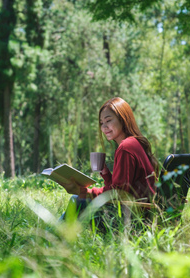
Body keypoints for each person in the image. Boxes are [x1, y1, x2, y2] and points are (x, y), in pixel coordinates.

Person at [60, 97, 159, 226]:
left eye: (108, 120)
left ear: (123, 120)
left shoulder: (126, 147)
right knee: (79, 201)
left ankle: (51, 238)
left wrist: (85, 192)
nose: (104, 127)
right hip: (142, 214)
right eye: (101, 123)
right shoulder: (134, 143)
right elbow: (121, 189)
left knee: (77, 200)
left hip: (134, 220)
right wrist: (106, 173)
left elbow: (117, 194)